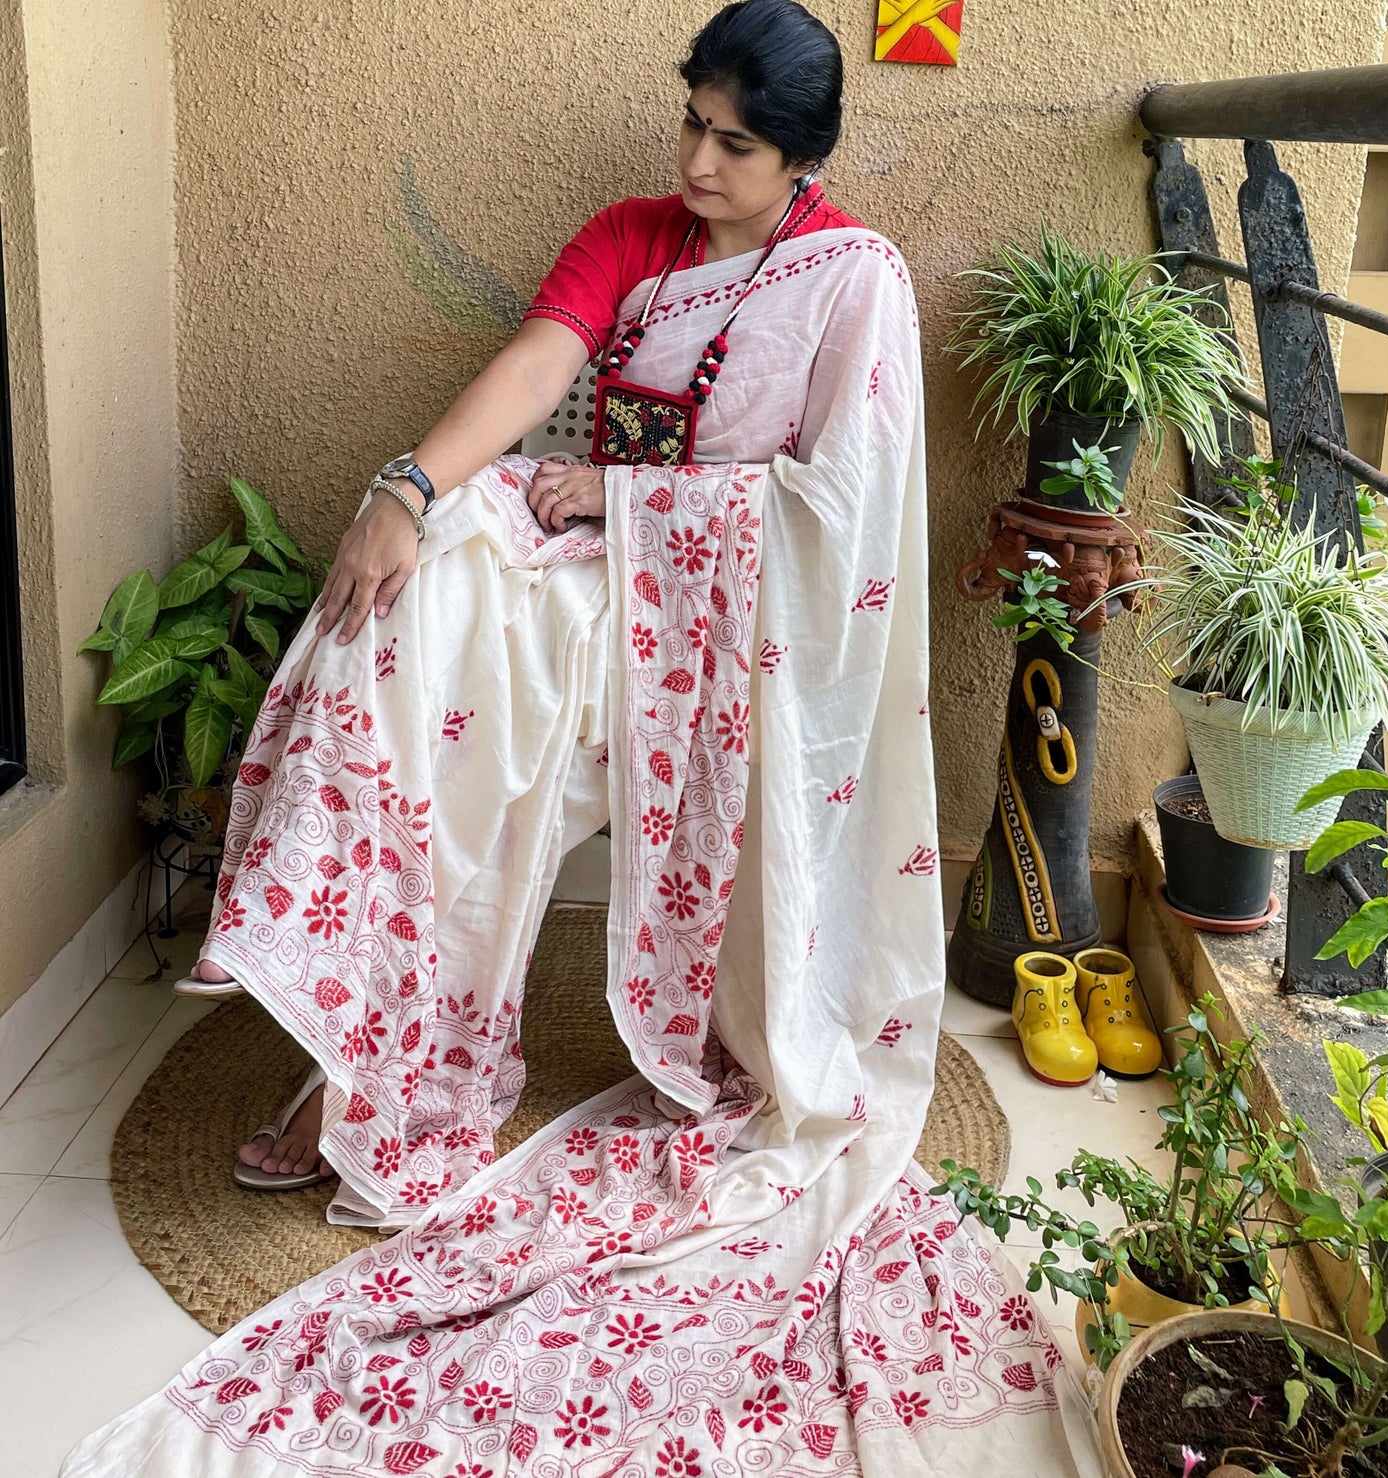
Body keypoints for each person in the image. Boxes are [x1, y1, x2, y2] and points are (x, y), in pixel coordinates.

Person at [63, 4, 1091, 1473]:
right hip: (594, 577)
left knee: (503, 629)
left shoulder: (848, 279)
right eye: (689, 121)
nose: (693, 159)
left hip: (736, 628)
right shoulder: (630, 234)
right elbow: (541, 375)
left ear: (799, 157)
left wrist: (624, 501)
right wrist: (409, 488)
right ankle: (377, 1043)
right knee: (430, 593)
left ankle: (371, 1042)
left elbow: (838, 515)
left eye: (731, 141)